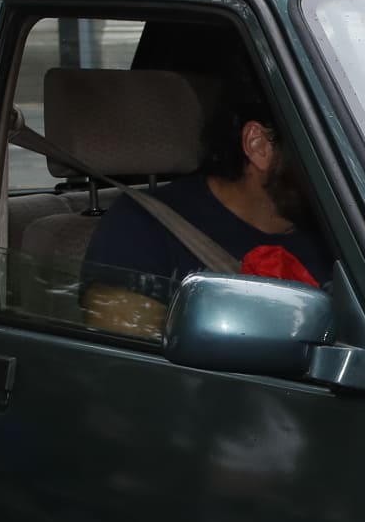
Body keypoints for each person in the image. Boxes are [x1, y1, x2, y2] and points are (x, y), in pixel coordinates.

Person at [81, 89, 337, 340]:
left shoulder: (352, 232)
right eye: (329, 148)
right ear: (259, 146)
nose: (345, 170)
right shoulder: (141, 227)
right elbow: (130, 369)